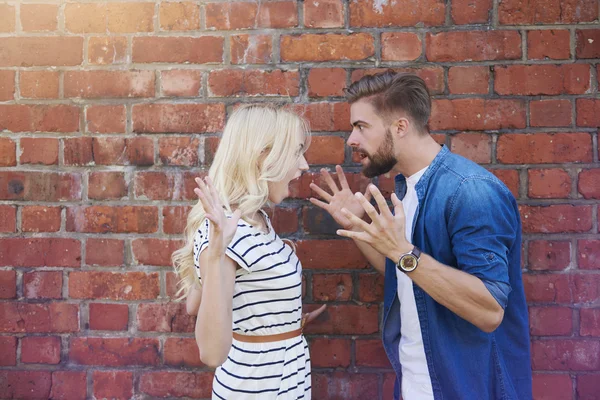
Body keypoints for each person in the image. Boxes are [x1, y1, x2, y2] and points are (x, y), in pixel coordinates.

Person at [310, 71, 532, 400]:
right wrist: (357, 226)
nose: (351, 140)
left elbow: (489, 311)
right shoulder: (408, 191)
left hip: (469, 388)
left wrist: (403, 253)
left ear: (400, 127)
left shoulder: (469, 192)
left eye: (361, 126)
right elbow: (406, 275)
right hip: (418, 384)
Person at [173, 105, 324, 400]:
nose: (304, 165)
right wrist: (214, 257)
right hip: (256, 388)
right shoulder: (227, 232)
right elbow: (212, 353)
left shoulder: (256, 221)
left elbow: (197, 302)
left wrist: (280, 320)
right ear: (261, 156)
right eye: (295, 152)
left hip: (279, 380)